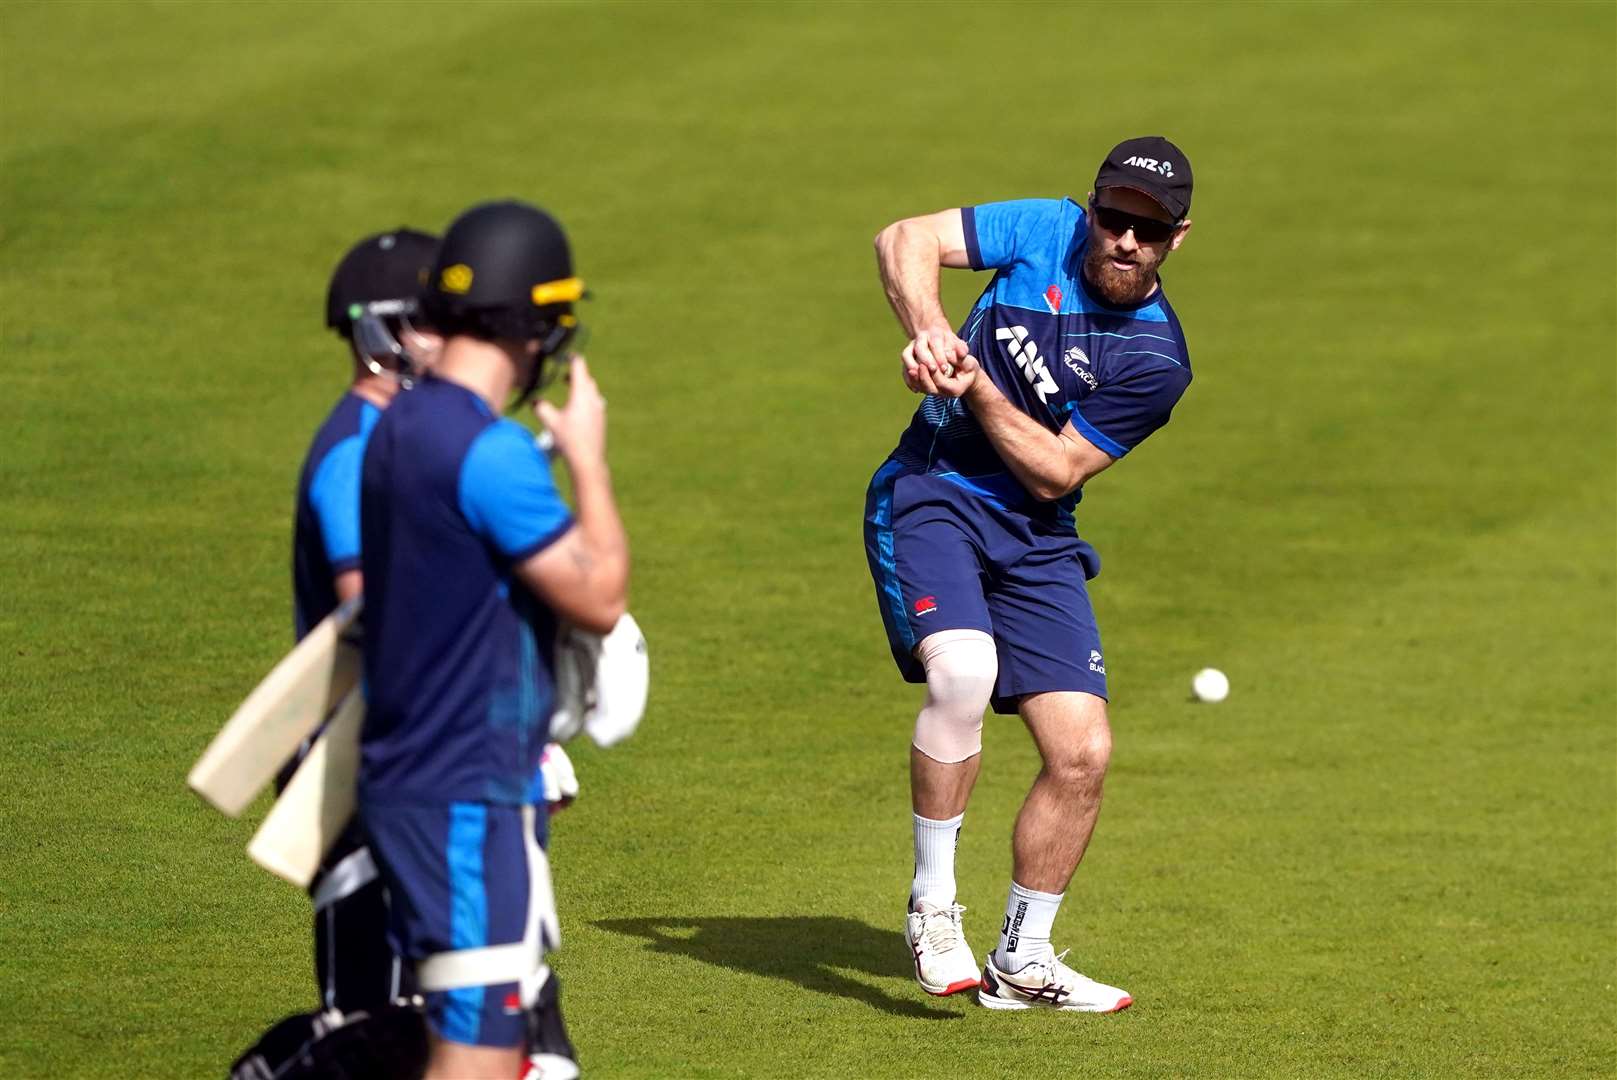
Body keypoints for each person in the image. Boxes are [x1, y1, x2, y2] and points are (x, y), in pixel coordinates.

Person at [865, 136, 1196, 1013]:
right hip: (932, 491)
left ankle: (1024, 955)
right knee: (964, 671)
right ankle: (932, 908)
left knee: (1082, 755)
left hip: (1037, 530)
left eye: (1148, 230)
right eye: (1114, 219)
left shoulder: (1155, 362)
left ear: (1177, 239)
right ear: (1091, 213)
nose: (1125, 241)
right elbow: (902, 237)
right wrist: (931, 333)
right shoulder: (1042, 228)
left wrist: (971, 384)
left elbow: (1052, 472)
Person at [357, 200, 628, 1080]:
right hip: (470, 795)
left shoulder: (397, 425)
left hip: (407, 780)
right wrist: (586, 456)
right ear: (532, 322)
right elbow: (598, 595)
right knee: (476, 1055)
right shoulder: (491, 452)